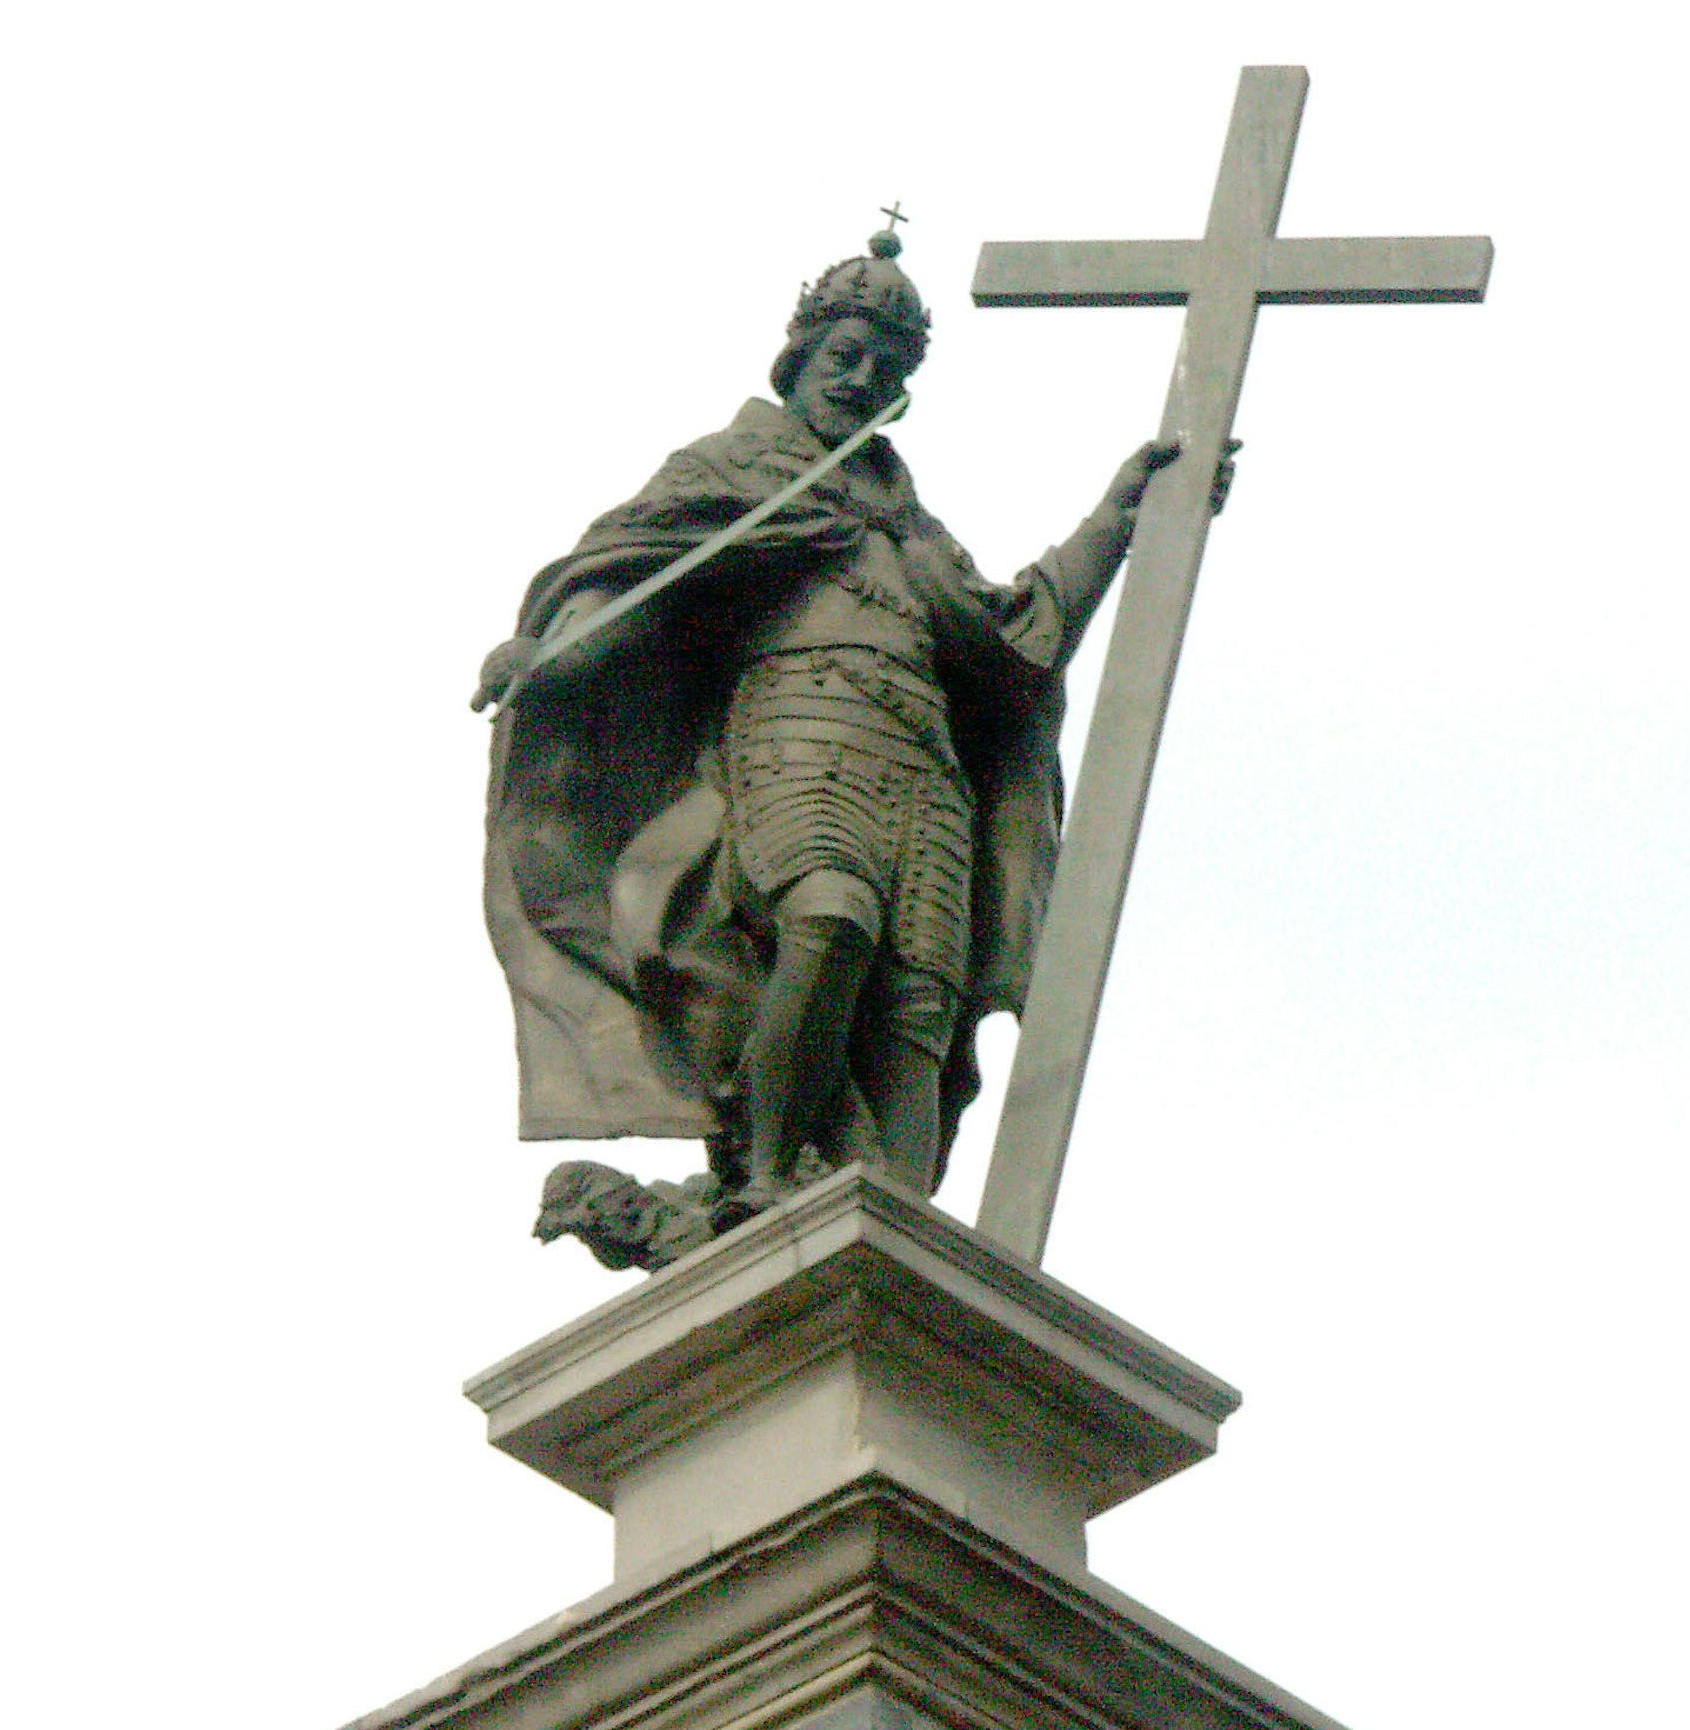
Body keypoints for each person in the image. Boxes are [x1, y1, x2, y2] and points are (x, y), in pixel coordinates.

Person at [475, 229, 1221, 1235]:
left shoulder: (909, 525)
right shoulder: (738, 469)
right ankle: (768, 1175)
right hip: (796, 734)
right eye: (844, 357)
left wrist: (1123, 515)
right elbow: (637, 579)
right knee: (829, 920)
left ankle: (897, 1220)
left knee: (918, 1011)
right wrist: (551, 659)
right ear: (801, 356)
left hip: (925, 773)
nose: (861, 378)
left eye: (883, 367)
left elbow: (1015, 639)